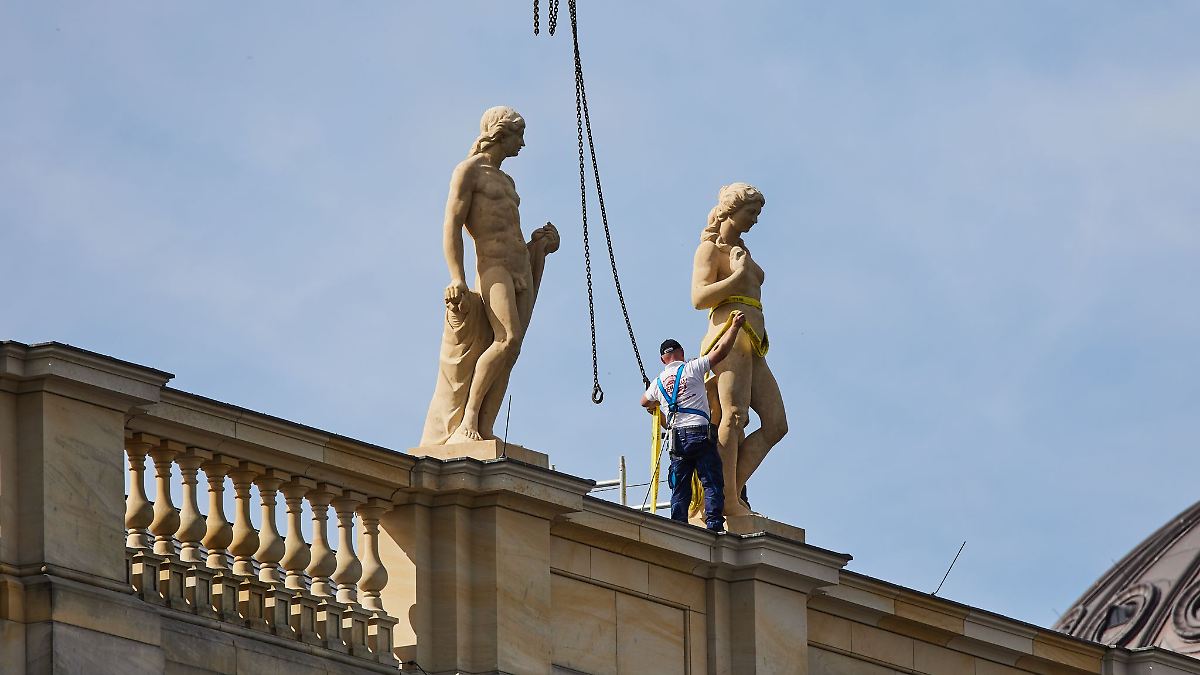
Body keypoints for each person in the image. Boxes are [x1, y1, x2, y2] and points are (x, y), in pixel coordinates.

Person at [434, 106, 560, 443]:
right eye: (519, 135)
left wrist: (541, 246)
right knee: (506, 339)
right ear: (500, 133)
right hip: (494, 267)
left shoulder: (507, 180)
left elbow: (512, 230)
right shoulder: (468, 171)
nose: (523, 143)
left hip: (521, 266)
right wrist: (456, 277)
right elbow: (452, 225)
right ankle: (468, 420)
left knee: (512, 349)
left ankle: (485, 427)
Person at [692, 183, 787, 518]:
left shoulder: (740, 249)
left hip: (754, 342)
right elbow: (699, 297)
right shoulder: (710, 250)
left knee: (776, 424)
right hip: (728, 337)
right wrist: (739, 277)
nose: (756, 220)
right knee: (732, 417)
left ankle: (727, 493)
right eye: (752, 213)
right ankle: (725, 501)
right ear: (732, 210)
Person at [640, 312, 746, 532]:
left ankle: (678, 525)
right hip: (699, 432)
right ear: (681, 353)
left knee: (680, 485)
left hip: (677, 438)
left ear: (662, 359)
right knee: (711, 480)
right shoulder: (691, 368)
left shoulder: (658, 382)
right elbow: (720, 352)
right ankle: (715, 524)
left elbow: (644, 402)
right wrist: (734, 327)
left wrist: (657, 407)